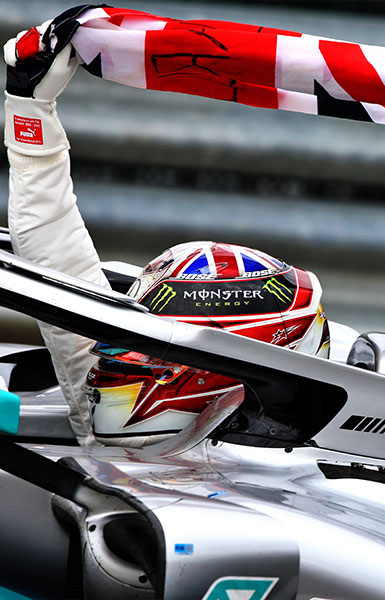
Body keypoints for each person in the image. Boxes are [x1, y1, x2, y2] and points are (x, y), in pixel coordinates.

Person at [4, 20, 345, 447]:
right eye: (124, 353)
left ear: (212, 375)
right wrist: (29, 108)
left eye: (140, 357)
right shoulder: (124, 423)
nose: (103, 370)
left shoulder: (311, 473)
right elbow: (50, 246)